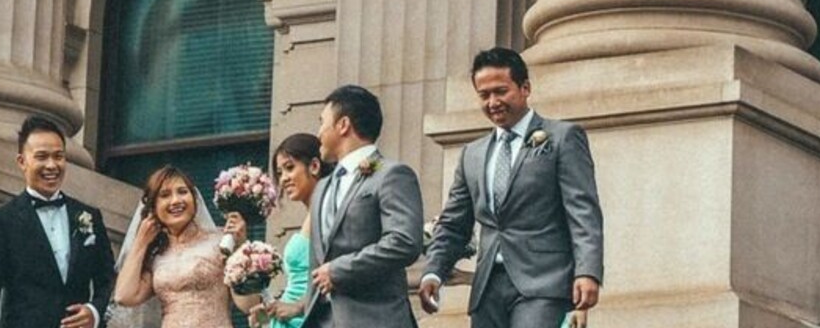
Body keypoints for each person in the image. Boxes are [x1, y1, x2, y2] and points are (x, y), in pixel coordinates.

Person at [420, 47, 605, 328]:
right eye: (484, 95)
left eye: (500, 91)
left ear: (525, 88)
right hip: (487, 289)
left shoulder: (563, 138)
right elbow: (454, 223)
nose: (493, 102)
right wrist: (433, 272)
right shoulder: (472, 153)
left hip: (544, 284)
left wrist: (588, 272)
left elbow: (583, 212)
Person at [0, 116, 116, 328]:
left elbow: (108, 279)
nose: (52, 165)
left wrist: (94, 311)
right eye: (42, 157)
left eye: (59, 156)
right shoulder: (0, 221)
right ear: (22, 161)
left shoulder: (89, 216)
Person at [301, 85, 423, 328]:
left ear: (343, 124)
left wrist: (339, 270)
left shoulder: (392, 174)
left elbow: (404, 242)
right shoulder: (323, 186)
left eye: (322, 122)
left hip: (376, 319)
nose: (318, 134)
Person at [108, 166, 233, 328]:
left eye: (182, 192)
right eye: (165, 195)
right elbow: (123, 296)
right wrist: (141, 241)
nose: (176, 201)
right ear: (153, 208)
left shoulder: (220, 241)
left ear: (194, 198)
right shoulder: (157, 256)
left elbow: (246, 301)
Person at [248, 134, 329, 328]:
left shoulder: (328, 211)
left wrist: (298, 307)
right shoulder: (313, 213)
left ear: (314, 166)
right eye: (279, 172)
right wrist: (273, 310)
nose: (284, 179)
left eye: (290, 167)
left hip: (312, 319)